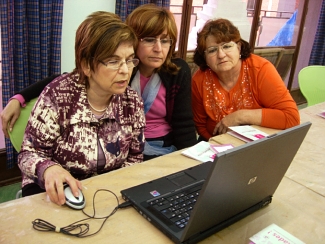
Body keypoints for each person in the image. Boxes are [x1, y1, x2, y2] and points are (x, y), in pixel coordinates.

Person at [1, 4, 197, 161]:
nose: (158, 49)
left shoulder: (137, 95)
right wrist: (19, 97)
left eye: (166, 41)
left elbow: (183, 124)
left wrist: (190, 161)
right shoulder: (67, 91)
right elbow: (66, 80)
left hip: (152, 148)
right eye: (149, 40)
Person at [16, 11, 145, 206]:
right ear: (86, 65)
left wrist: (115, 190)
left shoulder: (131, 101)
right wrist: (48, 169)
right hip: (55, 191)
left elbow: (136, 156)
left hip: (106, 191)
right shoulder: (58, 96)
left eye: (129, 60)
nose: (126, 70)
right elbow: (28, 153)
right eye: (113, 61)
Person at [192, 18, 300, 141]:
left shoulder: (260, 70)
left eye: (227, 46)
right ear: (204, 57)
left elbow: (291, 117)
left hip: (258, 144)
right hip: (216, 145)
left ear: (239, 47)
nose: (221, 55)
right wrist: (221, 145)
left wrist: (240, 116)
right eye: (212, 50)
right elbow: (200, 126)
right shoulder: (199, 80)